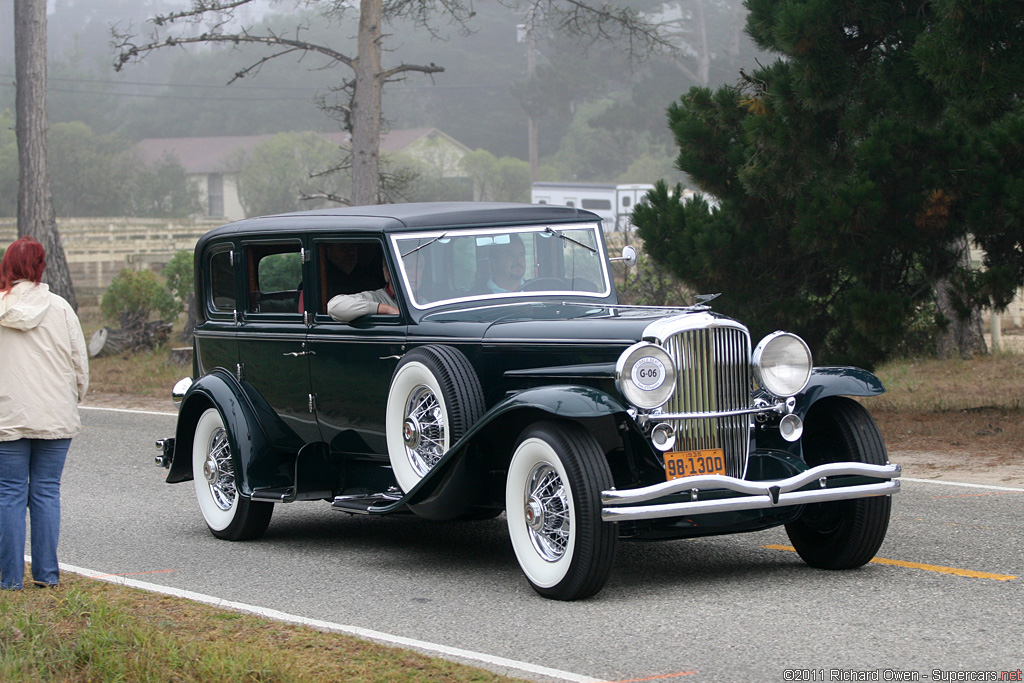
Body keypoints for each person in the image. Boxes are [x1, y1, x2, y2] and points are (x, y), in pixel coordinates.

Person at [0, 237, 89, 590]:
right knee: (47, 492)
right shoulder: (61, 308)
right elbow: (79, 363)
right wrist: (72, 397)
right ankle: (47, 575)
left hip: (7, 415)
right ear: (40, 267)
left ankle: (9, 580)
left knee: (9, 494)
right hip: (55, 414)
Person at [327, 261, 401, 322]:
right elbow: (334, 306)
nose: (412, 273)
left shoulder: (412, 301)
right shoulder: (376, 297)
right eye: (408, 268)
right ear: (389, 274)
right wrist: (387, 309)